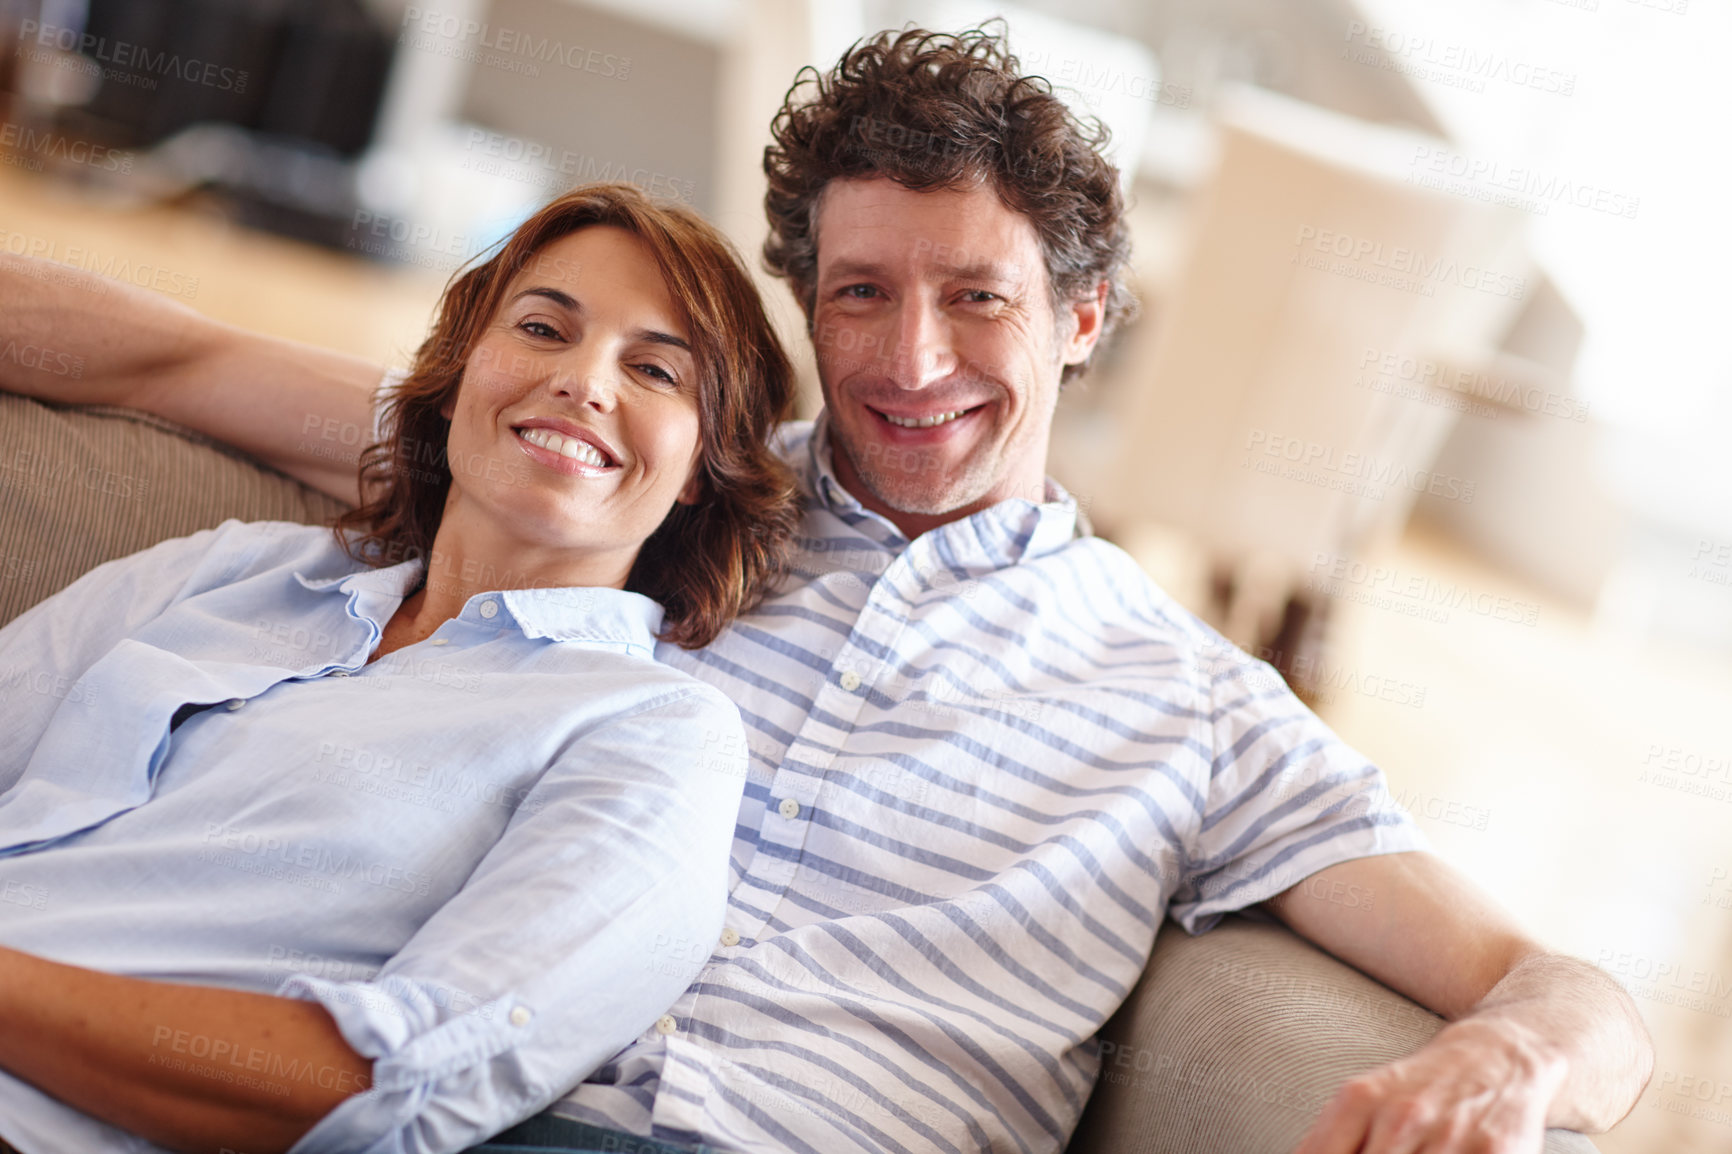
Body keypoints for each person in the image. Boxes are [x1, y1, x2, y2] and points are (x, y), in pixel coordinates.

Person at [0, 27, 1652, 1154]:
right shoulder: (642, 485)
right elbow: (178, 350)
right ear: (805, 299)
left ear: (1083, 314)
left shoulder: (1195, 708)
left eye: (977, 298)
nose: (911, 359)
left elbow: (1568, 982)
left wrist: (1505, 1055)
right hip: (454, 1105)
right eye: (860, 292)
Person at [0, 183, 799, 1153]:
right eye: (544, 327)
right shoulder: (241, 567)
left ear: (704, 467)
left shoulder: (653, 731)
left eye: (656, 372)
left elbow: (382, 1090)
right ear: (462, 372)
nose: (584, 381)